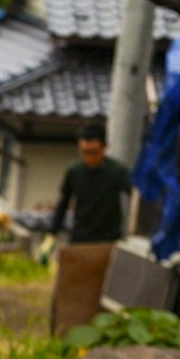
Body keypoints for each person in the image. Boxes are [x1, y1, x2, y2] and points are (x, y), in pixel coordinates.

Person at [43, 131, 133, 334]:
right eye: (84, 152)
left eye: (93, 152)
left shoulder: (117, 172)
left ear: (104, 147)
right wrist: (52, 235)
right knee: (68, 292)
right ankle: (61, 332)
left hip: (108, 241)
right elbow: (63, 204)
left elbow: (135, 198)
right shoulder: (75, 172)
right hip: (80, 239)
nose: (88, 158)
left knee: (105, 293)